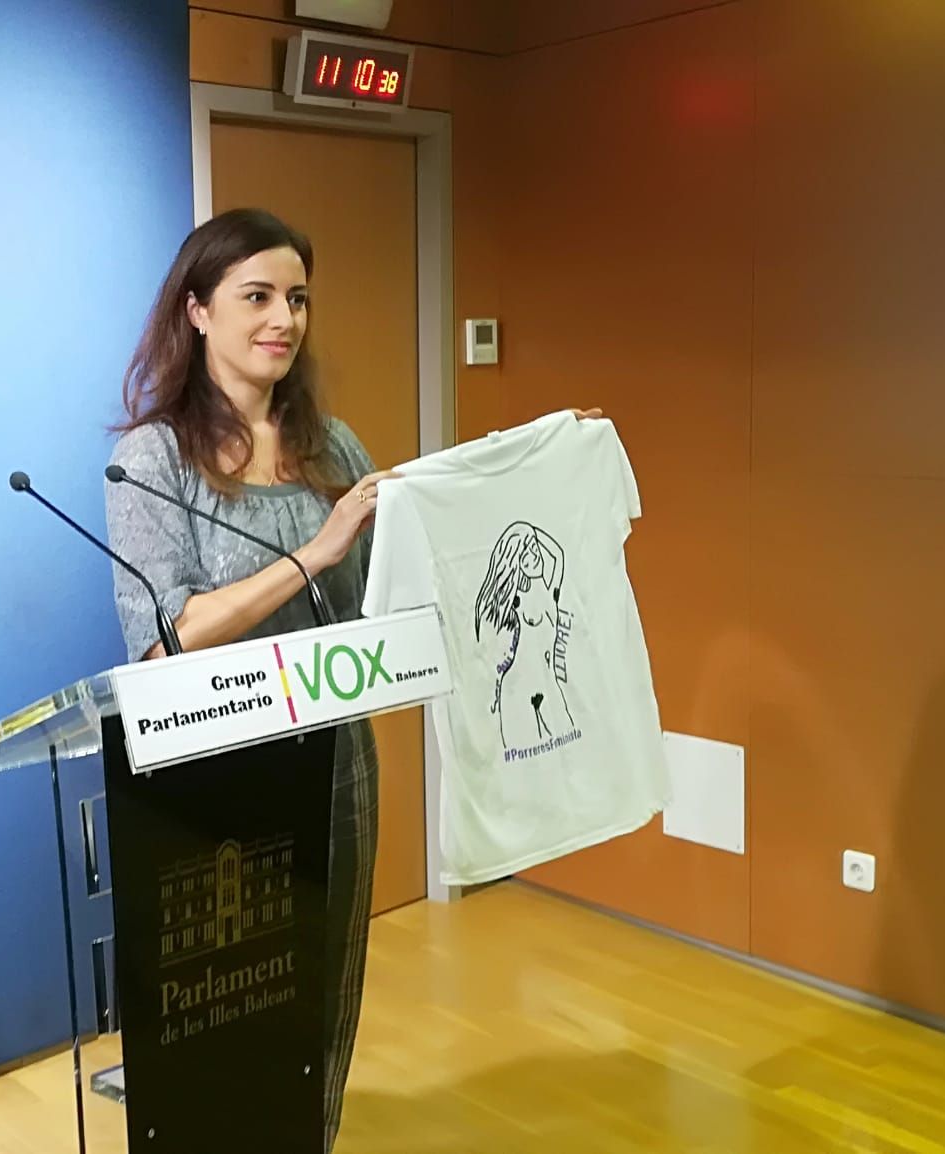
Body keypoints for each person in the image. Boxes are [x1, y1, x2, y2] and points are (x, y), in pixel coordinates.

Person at [104, 207, 595, 1150]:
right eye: (256, 296)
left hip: (332, 764)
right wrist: (315, 552)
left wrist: (540, 462)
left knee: (325, 985)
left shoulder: (336, 449)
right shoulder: (151, 460)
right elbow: (168, 641)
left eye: (297, 299)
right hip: (211, 776)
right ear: (197, 311)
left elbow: (423, 566)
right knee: (226, 998)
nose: (282, 318)